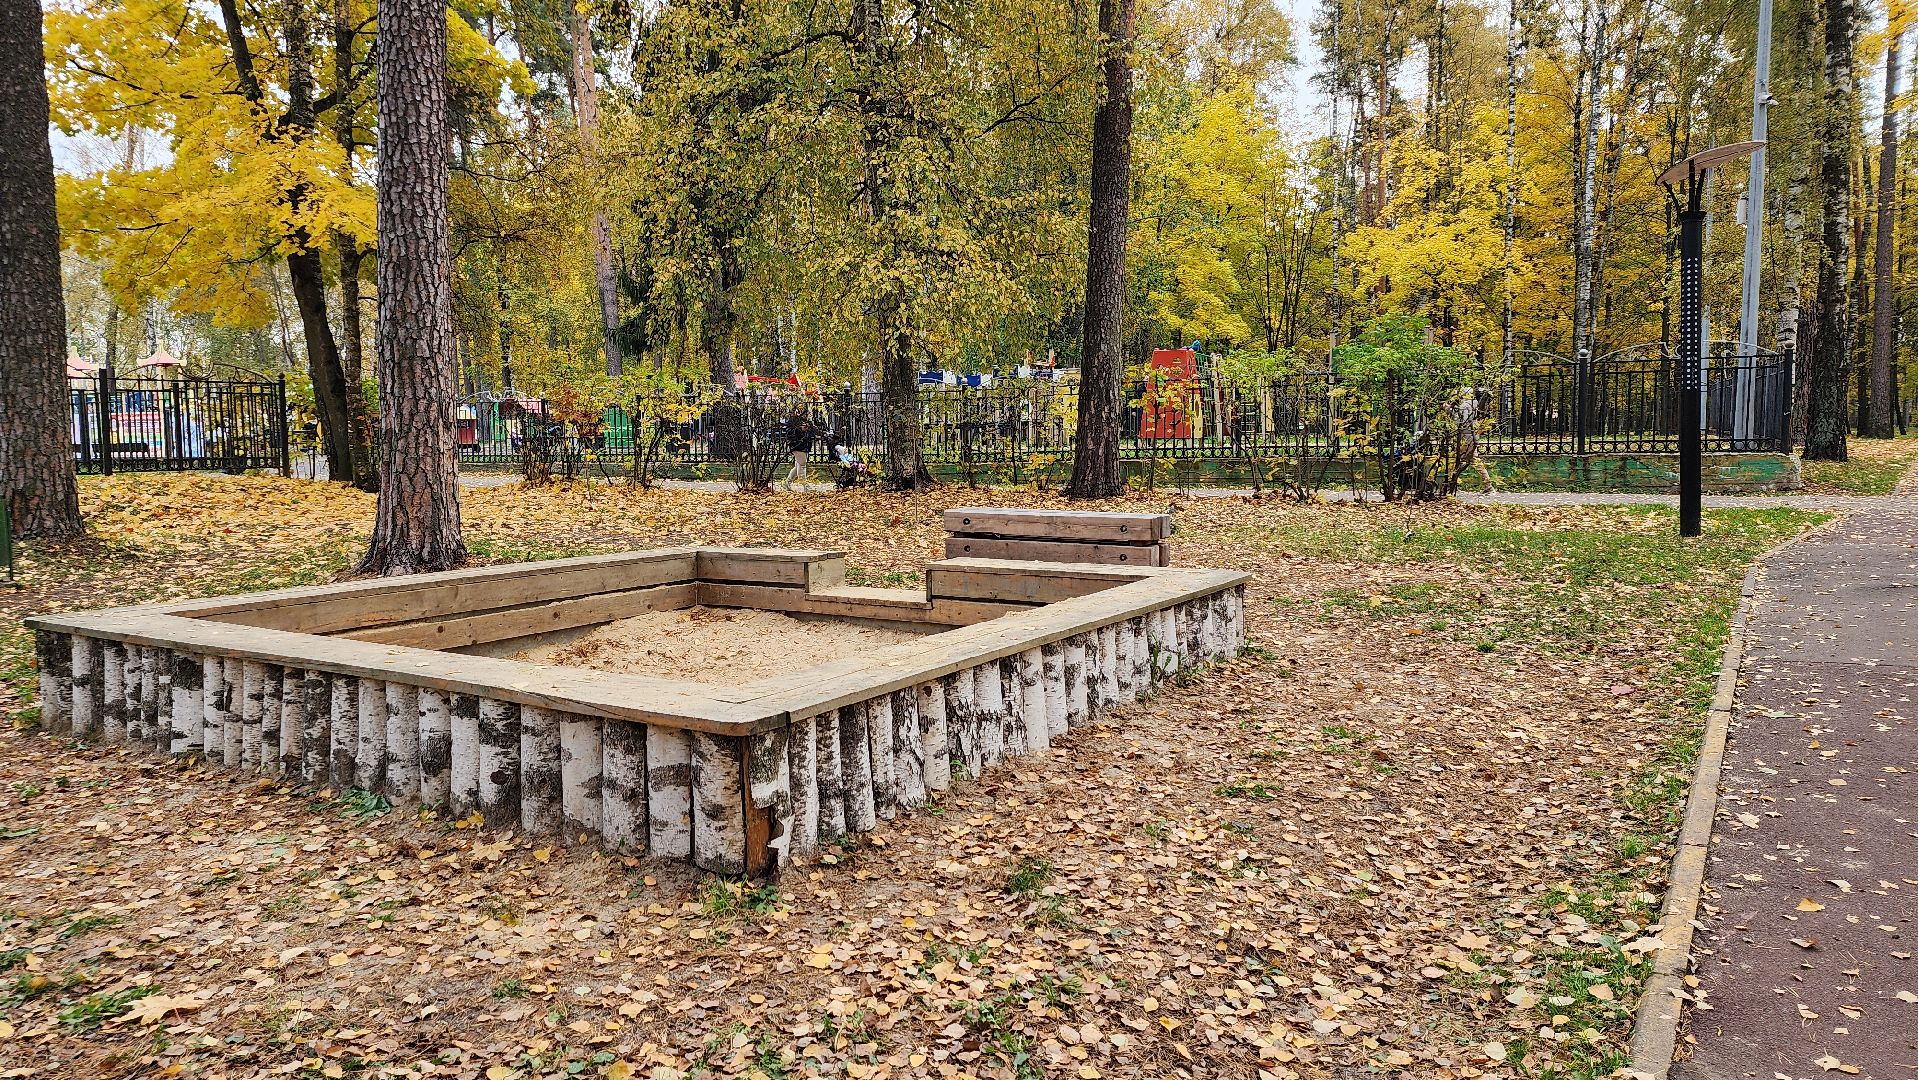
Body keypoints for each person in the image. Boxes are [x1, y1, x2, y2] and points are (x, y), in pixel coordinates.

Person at [785, 412, 818, 489]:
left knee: (798, 466)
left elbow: (812, 432)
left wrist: (808, 430)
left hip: (804, 446)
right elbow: (789, 433)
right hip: (797, 446)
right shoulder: (793, 422)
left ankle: (787, 482)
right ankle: (805, 485)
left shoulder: (807, 421)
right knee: (802, 465)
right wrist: (800, 429)